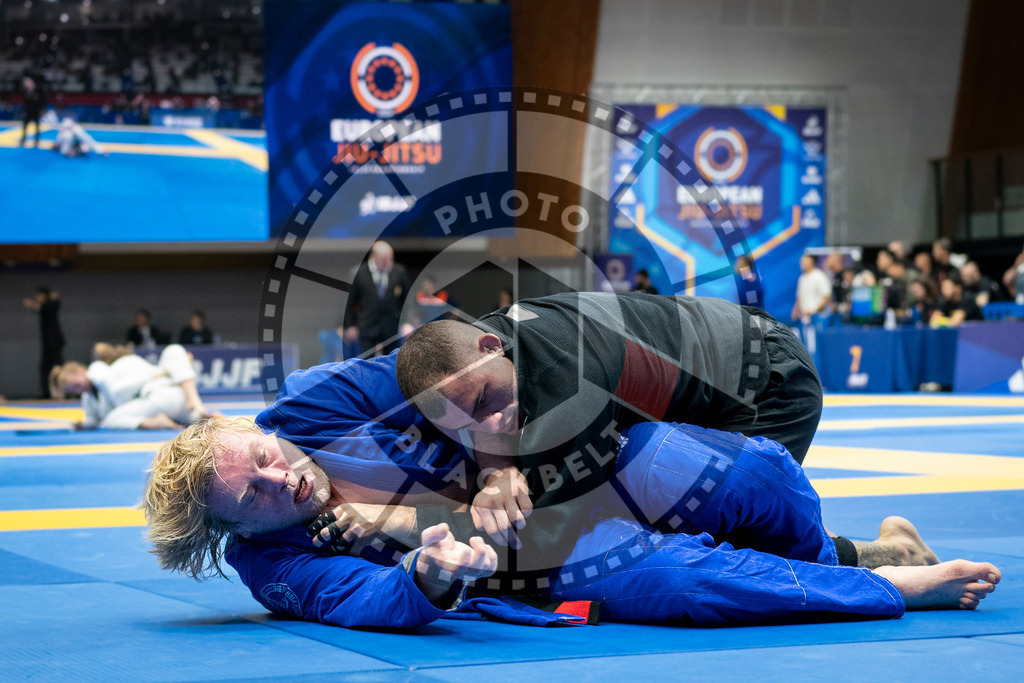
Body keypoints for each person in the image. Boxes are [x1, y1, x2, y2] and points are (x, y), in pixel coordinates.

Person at [142, 413, 1000, 630]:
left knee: (749, 471)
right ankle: (888, 579)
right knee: (675, 578)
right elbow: (358, 603)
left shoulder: (332, 415)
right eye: (249, 494)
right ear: (234, 530)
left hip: (569, 474)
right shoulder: (279, 563)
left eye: (258, 451)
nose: (274, 476)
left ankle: (849, 550)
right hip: (546, 557)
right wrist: (425, 576)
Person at [395, 291, 825, 548]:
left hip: (766, 380)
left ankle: (885, 557)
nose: (490, 426)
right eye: (467, 424)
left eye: (486, 400)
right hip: (712, 357)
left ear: (492, 347)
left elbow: (543, 541)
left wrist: (405, 525)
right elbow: (473, 410)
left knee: (746, 543)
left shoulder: (572, 386)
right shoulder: (479, 345)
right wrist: (497, 472)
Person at [51, 343, 211, 430]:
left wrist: (164, 371)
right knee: (175, 352)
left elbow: (117, 392)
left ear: (81, 371)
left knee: (112, 418)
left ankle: (194, 405)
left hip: (159, 394)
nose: (79, 390)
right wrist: (84, 424)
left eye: (77, 384)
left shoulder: (99, 371)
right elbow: (93, 419)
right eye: (74, 390)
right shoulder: (90, 397)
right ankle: (197, 413)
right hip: (168, 396)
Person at [343, 241, 412, 357]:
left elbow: (408, 300)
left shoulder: (399, 272)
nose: (387, 263)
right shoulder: (359, 273)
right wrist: (350, 325)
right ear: (373, 257)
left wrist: (407, 322)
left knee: (392, 361)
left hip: (391, 327)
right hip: (367, 326)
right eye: (383, 260)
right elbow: (348, 302)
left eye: (390, 259)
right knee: (367, 362)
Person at [22, 286, 65, 399]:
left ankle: (63, 392)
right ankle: (47, 394)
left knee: (58, 367)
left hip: (54, 344)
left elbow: (47, 306)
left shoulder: (51, 305)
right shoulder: (45, 306)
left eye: (39, 295)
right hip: (47, 345)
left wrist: (33, 304)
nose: (38, 298)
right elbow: (38, 308)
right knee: (45, 369)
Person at [20, 76, 45, 148]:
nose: (26, 84)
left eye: (27, 82)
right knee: (25, 126)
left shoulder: (38, 90)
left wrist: (42, 109)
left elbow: (43, 100)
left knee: (37, 126)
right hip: (28, 111)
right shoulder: (26, 91)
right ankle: (23, 139)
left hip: (36, 111)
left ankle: (36, 140)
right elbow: (25, 102)